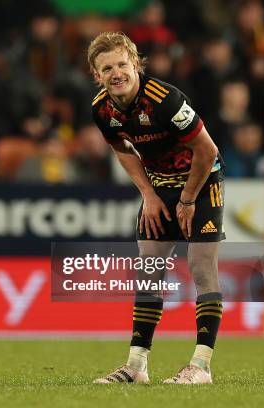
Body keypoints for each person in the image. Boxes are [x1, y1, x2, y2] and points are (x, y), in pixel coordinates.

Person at [87, 32, 225, 384]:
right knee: (148, 269)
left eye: (122, 64)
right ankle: (136, 366)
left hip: (202, 179)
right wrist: (148, 195)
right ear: (97, 75)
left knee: (201, 267)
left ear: (135, 64)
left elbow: (206, 151)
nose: (116, 72)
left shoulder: (164, 100)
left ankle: (201, 366)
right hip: (160, 185)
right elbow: (122, 150)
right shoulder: (101, 109)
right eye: (107, 68)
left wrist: (189, 199)